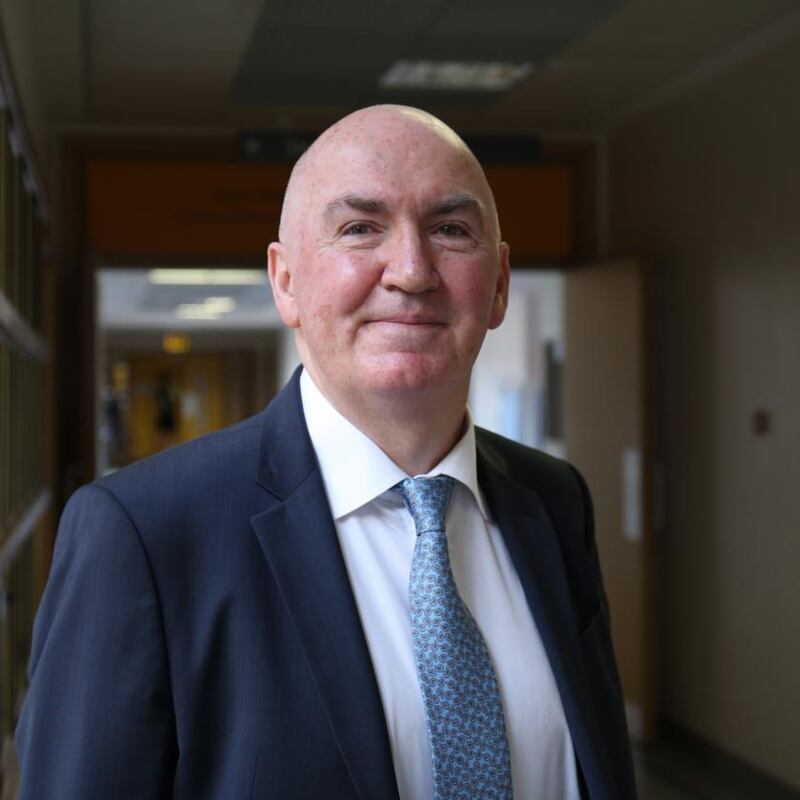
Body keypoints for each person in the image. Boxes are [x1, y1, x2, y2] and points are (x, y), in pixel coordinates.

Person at [16, 106, 636, 799]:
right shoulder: (143, 534)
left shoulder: (554, 502)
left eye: (451, 230)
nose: (410, 270)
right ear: (286, 282)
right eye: (360, 228)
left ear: (498, 284)